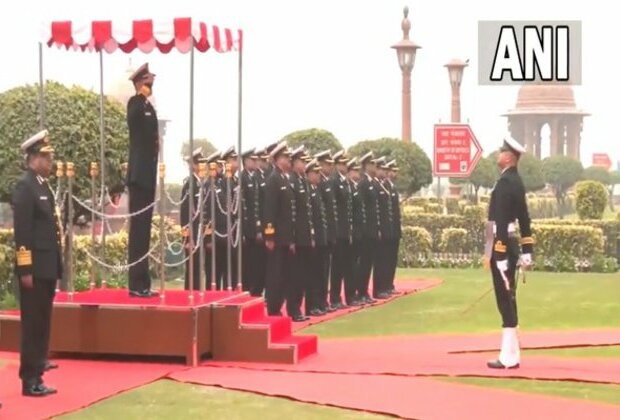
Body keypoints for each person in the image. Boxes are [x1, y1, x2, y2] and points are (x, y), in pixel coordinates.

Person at [12, 129, 60, 396]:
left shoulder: (42, 185)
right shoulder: (25, 186)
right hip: (35, 269)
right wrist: (25, 268)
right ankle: (30, 379)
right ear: (33, 158)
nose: (50, 162)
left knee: (43, 321)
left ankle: (38, 366)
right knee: (32, 324)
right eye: (45, 157)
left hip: (47, 267)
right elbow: (23, 232)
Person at [486, 137, 534, 369]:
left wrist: (500, 254)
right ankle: (511, 352)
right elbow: (524, 218)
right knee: (508, 298)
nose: (498, 154)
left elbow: (502, 221)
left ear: (509, 156)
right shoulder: (515, 181)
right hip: (507, 244)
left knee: (505, 300)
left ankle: (508, 356)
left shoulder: (506, 182)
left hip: (503, 245)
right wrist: (527, 249)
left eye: (501, 151)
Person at [126, 63, 159, 298]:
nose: (151, 85)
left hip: (148, 174)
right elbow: (133, 119)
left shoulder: (150, 107)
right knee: (137, 231)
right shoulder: (135, 103)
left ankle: (144, 282)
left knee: (145, 231)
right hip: (138, 176)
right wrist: (140, 94)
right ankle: (135, 284)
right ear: (140, 82)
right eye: (148, 81)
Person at [263, 142, 295, 316]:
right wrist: (269, 236)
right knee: (275, 273)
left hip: (285, 236)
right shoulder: (273, 179)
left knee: (283, 273)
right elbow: (269, 210)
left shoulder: (284, 178)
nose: (287, 160)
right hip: (276, 237)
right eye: (284, 157)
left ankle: (277, 305)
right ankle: (273, 307)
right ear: (276, 159)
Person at [330, 150, 357, 307]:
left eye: (346, 164)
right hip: (339, 231)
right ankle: (334, 298)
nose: (345, 166)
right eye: (342, 164)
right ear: (337, 165)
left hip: (347, 231)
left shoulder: (345, 182)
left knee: (348, 266)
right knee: (337, 268)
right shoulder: (334, 181)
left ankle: (349, 296)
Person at [289, 146, 312, 322]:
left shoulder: (302, 181)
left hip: (305, 236)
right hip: (296, 237)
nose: (303, 164)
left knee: (304, 275)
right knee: (295, 276)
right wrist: (292, 238)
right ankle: (293, 309)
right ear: (294, 162)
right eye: (301, 161)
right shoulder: (292, 181)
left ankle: (298, 306)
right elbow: (292, 213)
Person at [180, 148, 207, 291]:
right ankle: (190, 293)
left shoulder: (199, 183)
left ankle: (196, 292)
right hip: (192, 233)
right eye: (200, 164)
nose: (203, 167)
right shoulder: (189, 184)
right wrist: (187, 238)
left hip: (199, 232)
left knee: (198, 267)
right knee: (192, 268)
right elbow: (185, 213)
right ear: (194, 165)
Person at [315, 150, 338, 313]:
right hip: (321, 233)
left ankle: (323, 301)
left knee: (325, 270)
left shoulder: (327, 182)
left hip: (329, 233)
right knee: (319, 271)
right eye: (327, 164)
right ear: (321, 165)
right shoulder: (319, 183)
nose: (330, 167)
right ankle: (318, 302)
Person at [214, 147, 240, 290]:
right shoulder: (223, 181)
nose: (237, 162)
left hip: (234, 231)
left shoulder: (235, 180)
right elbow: (223, 207)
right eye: (234, 159)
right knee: (223, 267)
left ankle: (232, 290)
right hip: (223, 231)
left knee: (234, 267)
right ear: (226, 163)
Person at [306, 159, 328, 316]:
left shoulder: (317, 189)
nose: (319, 175)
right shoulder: (308, 190)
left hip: (321, 238)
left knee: (321, 272)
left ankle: (320, 302)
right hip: (313, 238)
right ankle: (312, 305)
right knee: (312, 274)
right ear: (309, 174)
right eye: (316, 173)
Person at [357, 152, 379, 304]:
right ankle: (361, 291)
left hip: (372, 229)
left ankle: (364, 290)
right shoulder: (364, 183)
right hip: (366, 230)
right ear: (366, 166)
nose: (375, 167)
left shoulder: (371, 183)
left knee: (369, 262)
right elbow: (362, 208)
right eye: (372, 164)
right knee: (364, 263)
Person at [241, 148, 263, 293]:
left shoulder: (256, 177)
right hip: (247, 227)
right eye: (252, 160)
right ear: (246, 161)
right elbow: (243, 206)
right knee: (247, 262)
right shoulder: (242, 178)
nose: (255, 163)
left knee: (257, 262)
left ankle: (256, 289)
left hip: (257, 227)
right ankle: (247, 288)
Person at [347, 157, 366, 306]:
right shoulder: (350, 187)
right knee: (350, 266)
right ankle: (350, 295)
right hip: (352, 232)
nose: (357, 173)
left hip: (359, 232)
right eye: (354, 170)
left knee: (356, 265)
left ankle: (355, 294)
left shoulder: (355, 187)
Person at [373, 157, 393, 299]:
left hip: (386, 229)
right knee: (379, 261)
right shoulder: (374, 185)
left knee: (385, 260)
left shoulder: (382, 185)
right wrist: (378, 228)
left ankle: (384, 287)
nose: (384, 172)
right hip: (377, 230)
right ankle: (378, 289)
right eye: (381, 169)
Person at [384, 160, 402, 294]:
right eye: (393, 171)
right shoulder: (385, 186)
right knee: (385, 259)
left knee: (392, 259)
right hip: (387, 230)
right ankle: (384, 285)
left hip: (394, 229)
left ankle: (389, 284)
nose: (394, 174)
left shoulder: (392, 187)